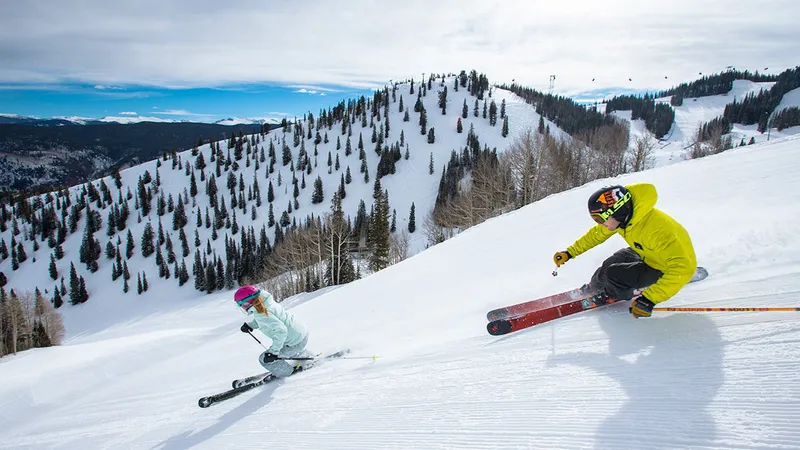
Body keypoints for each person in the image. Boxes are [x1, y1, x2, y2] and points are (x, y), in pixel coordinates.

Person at [552, 183, 697, 319]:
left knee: (615, 273)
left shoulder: (657, 230)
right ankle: (593, 288)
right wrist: (570, 253)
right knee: (610, 263)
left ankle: (611, 294)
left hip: (664, 268)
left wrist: (649, 299)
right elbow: (596, 235)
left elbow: (684, 268)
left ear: (617, 211)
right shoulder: (624, 219)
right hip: (647, 254)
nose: (601, 224)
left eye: (600, 219)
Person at [234, 285, 313, 377]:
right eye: (240, 305)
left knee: (264, 360)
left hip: (295, 343)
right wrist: (251, 325)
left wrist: (273, 352)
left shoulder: (261, 313)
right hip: (301, 335)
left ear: (250, 301)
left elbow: (281, 331)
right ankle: (304, 355)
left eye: (243, 304)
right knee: (284, 346)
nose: (243, 307)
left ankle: (288, 372)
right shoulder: (266, 303)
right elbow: (268, 319)